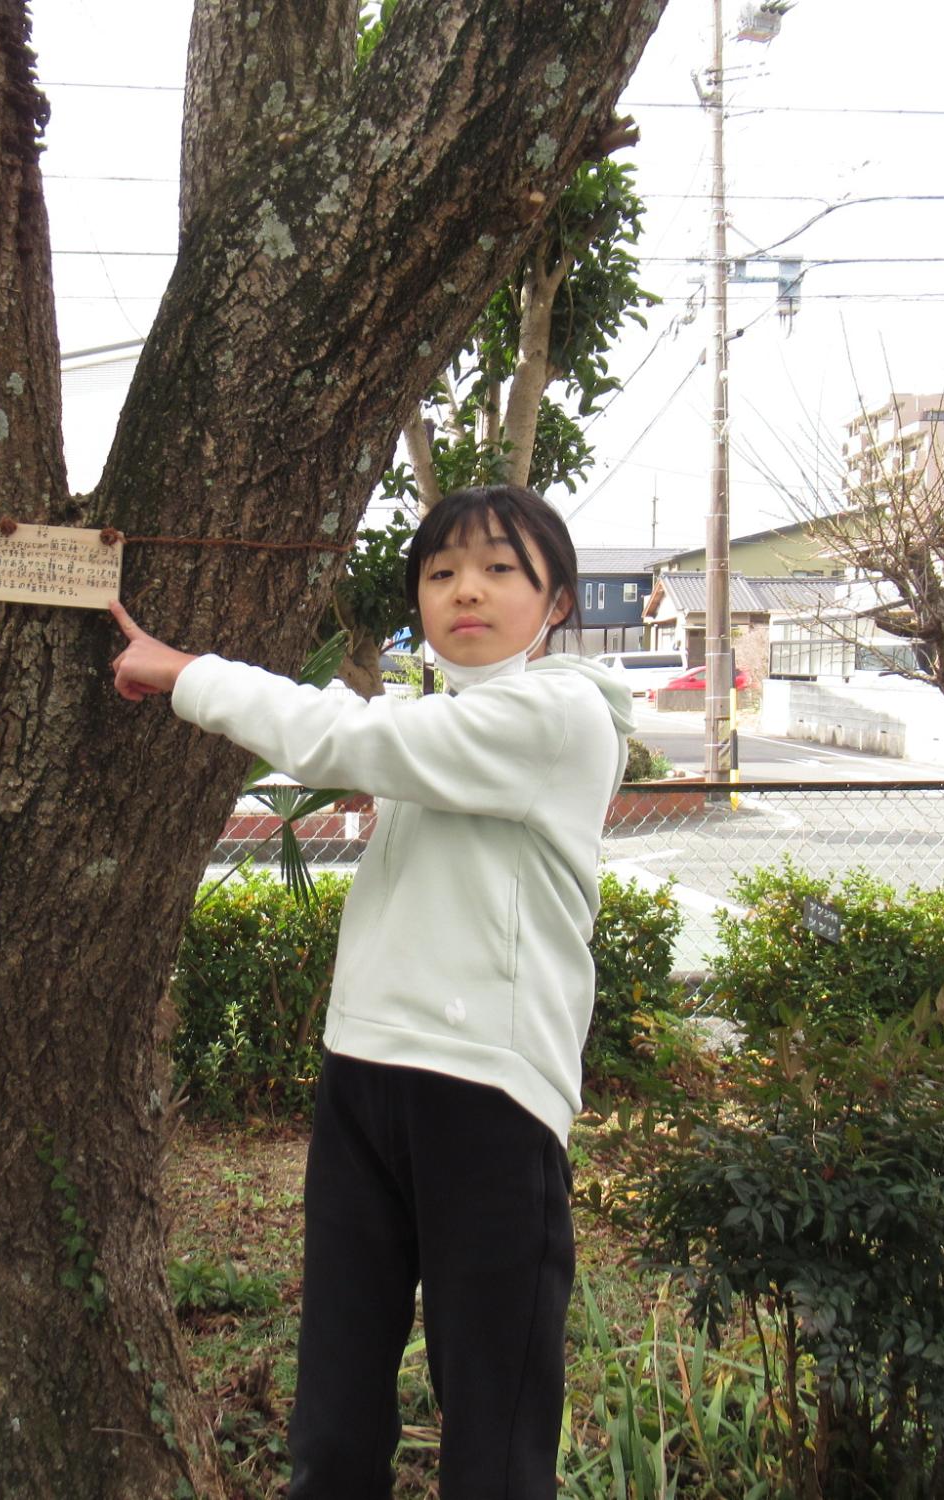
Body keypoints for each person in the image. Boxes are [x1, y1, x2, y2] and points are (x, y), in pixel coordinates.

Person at [110, 483, 633, 1499]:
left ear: (558, 601)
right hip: (362, 1072)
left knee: (493, 1427)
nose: (465, 591)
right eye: (441, 573)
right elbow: (377, 739)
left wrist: (185, 672)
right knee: (335, 1416)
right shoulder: (443, 722)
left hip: (490, 1094)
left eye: (498, 570)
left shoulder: (561, 714)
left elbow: (346, 738)